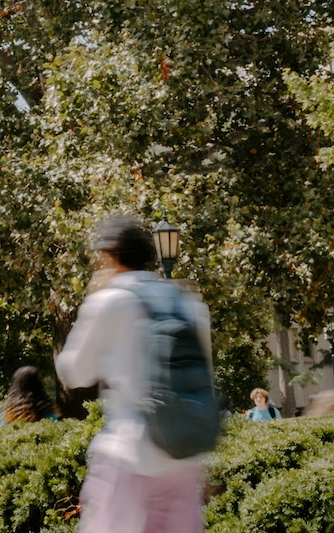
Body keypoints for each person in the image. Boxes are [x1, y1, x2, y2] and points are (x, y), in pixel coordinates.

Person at [55, 216, 215, 533]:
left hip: (128, 454)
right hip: (181, 457)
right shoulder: (186, 303)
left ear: (108, 255)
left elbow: (74, 372)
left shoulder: (110, 300)